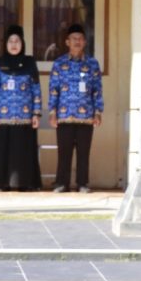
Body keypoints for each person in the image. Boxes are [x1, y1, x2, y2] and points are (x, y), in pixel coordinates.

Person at [48, 24, 104, 194]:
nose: (77, 42)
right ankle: (61, 183)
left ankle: (83, 183)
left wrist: (98, 111)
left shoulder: (92, 64)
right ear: (67, 42)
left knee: (83, 152)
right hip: (64, 114)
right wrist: (52, 111)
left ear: (85, 42)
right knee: (64, 152)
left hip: (86, 115)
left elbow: (97, 89)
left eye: (80, 39)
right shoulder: (59, 64)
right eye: (74, 39)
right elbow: (53, 89)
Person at [0, 25, 43, 191]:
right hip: (3, 118)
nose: (13, 44)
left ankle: (24, 183)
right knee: (2, 150)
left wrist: (36, 113)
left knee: (23, 151)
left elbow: (36, 89)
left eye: (17, 41)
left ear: (22, 43)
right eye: (10, 41)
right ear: (5, 44)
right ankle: (1, 183)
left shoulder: (29, 62)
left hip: (24, 117)